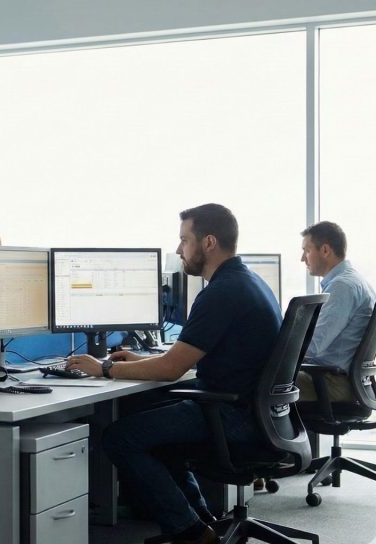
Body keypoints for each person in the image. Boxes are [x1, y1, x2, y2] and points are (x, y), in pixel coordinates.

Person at [67, 203, 282, 544]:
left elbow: (171, 369)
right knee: (147, 415)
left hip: (233, 415)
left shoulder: (221, 292)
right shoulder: (247, 281)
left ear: (209, 242)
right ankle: (201, 520)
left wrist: (105, 368)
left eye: (184, 240)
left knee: (120, 438)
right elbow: (194, 356)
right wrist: (139, 360)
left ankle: (191, 532)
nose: (179, 249)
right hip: (256, 412)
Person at [296, 221, 375, 402]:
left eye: (307, 250)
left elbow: (313, 347)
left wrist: (274, 351)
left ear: (325, 250)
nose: (302, 258)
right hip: (344, 381)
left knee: (260, 380)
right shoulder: (354, 281)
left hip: (333, 384)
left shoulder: (342, 287)